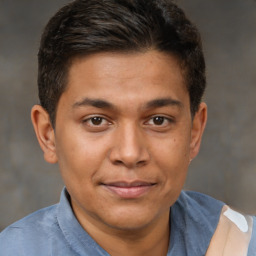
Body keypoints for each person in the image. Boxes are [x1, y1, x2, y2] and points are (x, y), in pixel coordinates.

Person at [0, 0, 255, 255]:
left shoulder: (243, 245)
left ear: (195, 131)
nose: (130, 154)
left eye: (158, 120)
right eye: (96, 120)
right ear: (48, 135)